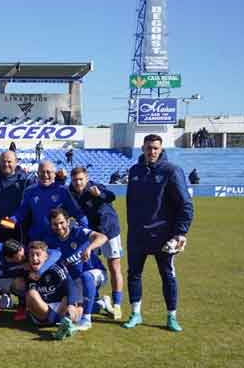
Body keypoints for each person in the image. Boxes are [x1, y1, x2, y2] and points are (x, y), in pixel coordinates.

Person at [124, 134, 194, 332]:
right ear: (143, 148)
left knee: (167, 275)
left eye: (155, 148)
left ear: (161, 149)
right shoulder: (135, 170)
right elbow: (131, 203)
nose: (152, 151)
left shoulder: (171, 171)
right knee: (134, 275)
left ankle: (171, 316)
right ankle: (136, 313)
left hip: (163, 236)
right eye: (148, 148)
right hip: (137, 235)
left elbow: (186, 205)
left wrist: (180, 233)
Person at [68, 167, 124, 320]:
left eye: (80, 179)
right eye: (74, 180)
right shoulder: (71, 192)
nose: (78, 182)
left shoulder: (95, 187)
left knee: (114, 266)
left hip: (109, 230)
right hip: (91, 234)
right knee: (87, 266)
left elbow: (111, 196)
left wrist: (100, 194)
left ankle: (117, 304)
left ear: (86, 178)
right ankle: (97, 300)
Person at [44, 208, 108, 331]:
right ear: (51, 225)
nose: (59, 227)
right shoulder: (50, 240)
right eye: (55, 224)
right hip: (74, 281)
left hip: (96, 273)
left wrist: (89, 248)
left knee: (86, 276)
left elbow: (102, 237)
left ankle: (87, 320)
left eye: (62, 222)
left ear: (68, 221)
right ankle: (100, 304)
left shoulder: (78, 232)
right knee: (73, 311)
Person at [4, 160, 87, 242]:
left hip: (58, 241)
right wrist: (10, 222)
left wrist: (85, 232)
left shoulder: (62, 190)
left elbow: (77, 213)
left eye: (48, 172)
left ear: (54, 174)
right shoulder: (30, 191)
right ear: (37, 173)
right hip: (36, 240)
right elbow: (21, 212)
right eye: (42, 172)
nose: (45, 175)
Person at [17, 241, 82, 341]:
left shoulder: (56, 267)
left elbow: (70, 284)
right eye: (32, 255)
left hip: (60, 306)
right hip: (42, 311)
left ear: (46, 257)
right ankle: (64, 323)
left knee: (75, 301)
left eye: (38, 255)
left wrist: (71, 305)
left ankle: (66, 324)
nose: (34, 258)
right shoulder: (26, 270)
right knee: (31, 293)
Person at [0, 150, 30, 244]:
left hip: (16, 230)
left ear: (16, 162)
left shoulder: (24, 180)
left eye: (9, 162)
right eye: (3, 161)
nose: (6, 164)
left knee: (15, 256)